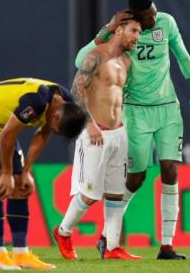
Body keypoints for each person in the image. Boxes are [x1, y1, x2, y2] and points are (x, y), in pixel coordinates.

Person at [75, 0, 190, 260]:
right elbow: (80, 59)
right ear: (135, 19)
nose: (153, 18)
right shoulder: (125, 31)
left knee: (170, 170)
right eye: (148, 17)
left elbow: (184, 58)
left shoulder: (167, 22)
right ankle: (108, 234)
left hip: (168, 109)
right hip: (135, 112)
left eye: (154, 12)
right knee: (136, 178)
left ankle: (167, 246)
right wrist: (108, 29)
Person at [0, 77, 87, 270]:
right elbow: (7, 135)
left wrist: (26, 171)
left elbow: (43, 134)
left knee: (21, 188)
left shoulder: (65, 104)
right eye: (55, 128)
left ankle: (21, 254)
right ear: (55, 117)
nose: (53, 131)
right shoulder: (37, 101)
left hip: (2, 127)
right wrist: (7, 173)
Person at [52, 18, 143, 261]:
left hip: (119, 133)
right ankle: (63, 231)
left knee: (115, 194)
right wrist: (89, 123)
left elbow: (120, 97)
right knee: (90, 194)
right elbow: (76, 90)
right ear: (119, 29)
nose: (137, 37)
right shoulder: (95, 56)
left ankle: (112, 247)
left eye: (140, 33)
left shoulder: (127, 61)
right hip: (95, 133)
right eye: (134, 31)